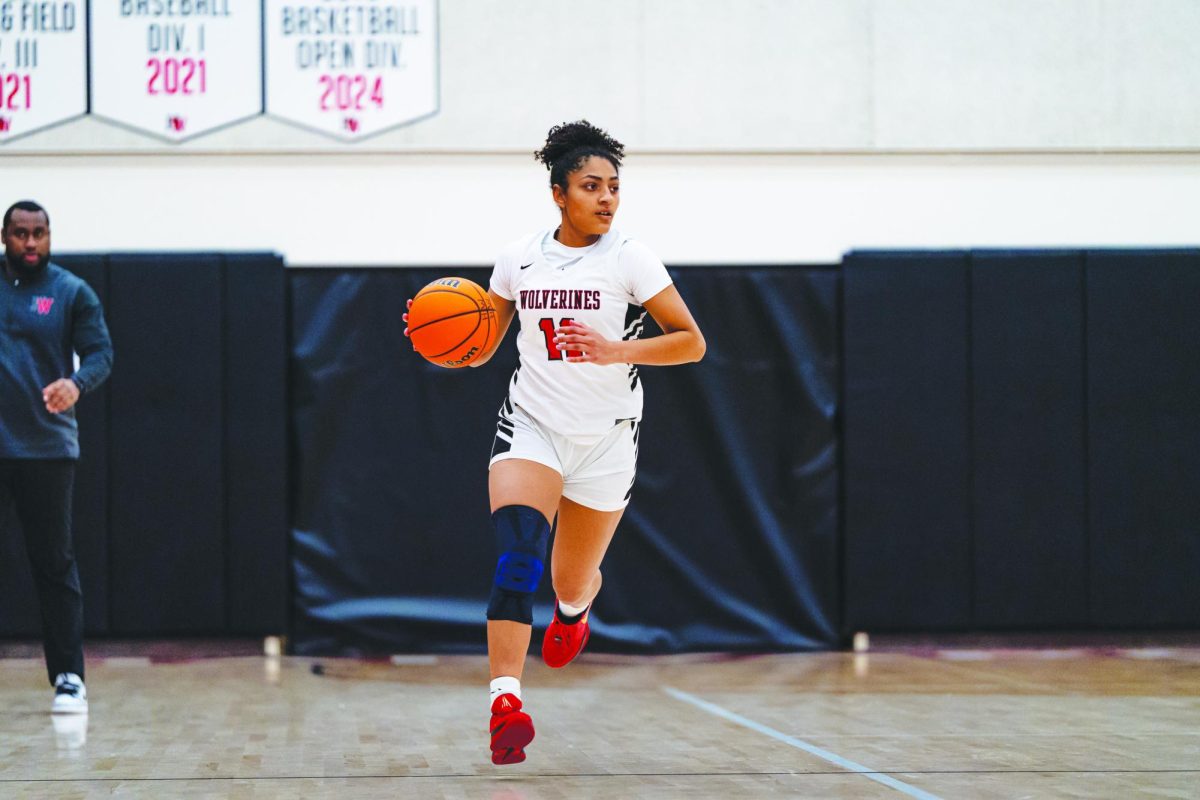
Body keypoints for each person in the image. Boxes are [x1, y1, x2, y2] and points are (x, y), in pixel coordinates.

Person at [405, 121, 706, 765]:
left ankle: (574, 613)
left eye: (614, 187)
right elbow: (481, 343)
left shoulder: (630, 257)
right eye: (591, 186)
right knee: (518, 558)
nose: (606, 198)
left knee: (570, 580)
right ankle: (505, 701)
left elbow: (691, 341)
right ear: (558, 193)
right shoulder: (518, 258)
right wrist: (434, 333)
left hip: (606, 440)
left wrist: (616, 349)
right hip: (532, 426)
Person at [0, 200, 113, 714]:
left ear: (49, 237)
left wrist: (76, 382)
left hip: (46, 447)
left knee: (54, 562)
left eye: (39, 233)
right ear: (4, 236)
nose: (30, 243)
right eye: (20, 233)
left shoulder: (71, 292)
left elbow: (101, 354)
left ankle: (68, 676)